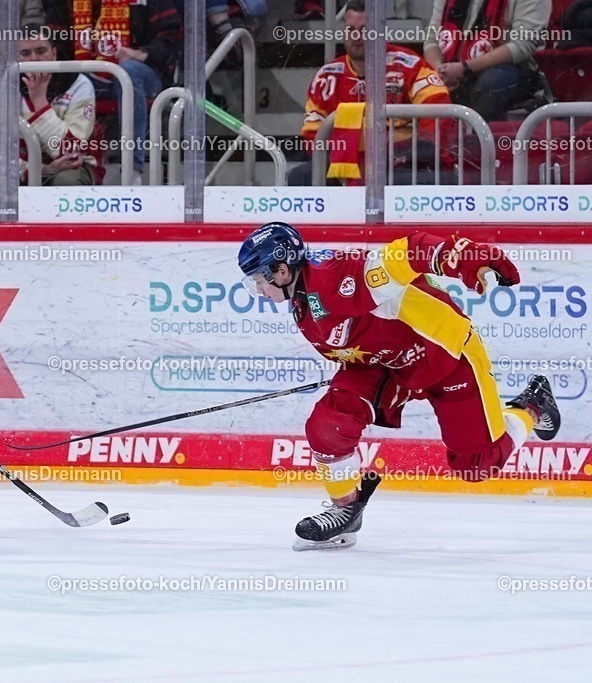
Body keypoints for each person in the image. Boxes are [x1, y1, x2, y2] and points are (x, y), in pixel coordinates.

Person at [237, 222, 561, 551]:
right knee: (329, 422)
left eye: (259, 280)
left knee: (476, 465)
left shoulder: (335, 275)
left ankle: (533, 405)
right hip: (388, 367)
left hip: (445, 356)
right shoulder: (301, 298)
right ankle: (344, 512)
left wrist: (466, 257)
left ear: (281, 269)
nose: (258, 289)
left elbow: (409, 250)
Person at [291, 0, 453, 186]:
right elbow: (312, 134)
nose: (356, 36)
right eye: (351, 29)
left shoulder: (411, 66)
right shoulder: (327, 76)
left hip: (398, 163)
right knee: (301, 176)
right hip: (342, 165)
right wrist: (343, 156)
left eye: (364, 29)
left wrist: (400, 151)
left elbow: (440, 114)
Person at [44, 0, 181, 183]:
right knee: (59, 76)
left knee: (128, 72)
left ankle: (133, 172)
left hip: (145, 73)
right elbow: (54, 45)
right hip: (86, 75)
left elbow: (172, 40)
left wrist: (141, 54)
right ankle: (61, 163)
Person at [0, 25, 100, 186]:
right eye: (25, 53)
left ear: (54, 54)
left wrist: (40, 102)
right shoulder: (5, 84)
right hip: (22, 167)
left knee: (68, 181)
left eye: (40, 51)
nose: (34, 59)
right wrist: (38, 170)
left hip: (70, 167)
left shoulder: (79, 83)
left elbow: (71, 152)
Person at [423, 0, 551, 122]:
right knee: (421, 81)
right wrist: (439, 70)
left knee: (493, 83)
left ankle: (477, 143)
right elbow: (431, 40)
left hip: (511, 71)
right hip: (452, 69)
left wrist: (465, 68)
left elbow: (523, 44)